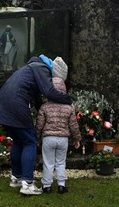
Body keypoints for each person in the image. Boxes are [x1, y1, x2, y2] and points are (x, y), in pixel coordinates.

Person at [0, 54, 73, 195]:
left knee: (19, 140)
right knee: (30, 141)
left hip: (1, 104)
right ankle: (28, 184)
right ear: (55, 74)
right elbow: (49, 91)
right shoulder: (42, 69)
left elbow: (37, 99)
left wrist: (46, 110)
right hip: (15, 104)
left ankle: (16, 178)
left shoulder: (32, 67)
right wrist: (68, 100)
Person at [36, 57, 81, 194]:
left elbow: (39, 125)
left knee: (48, 162)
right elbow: (73, 124)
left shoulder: (44, 107)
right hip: (63, 139)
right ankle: (61, 185)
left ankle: (47, 186)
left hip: (48, 138)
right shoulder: (69, 107)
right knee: (61, 162)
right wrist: (77, 138)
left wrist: (37, 138)